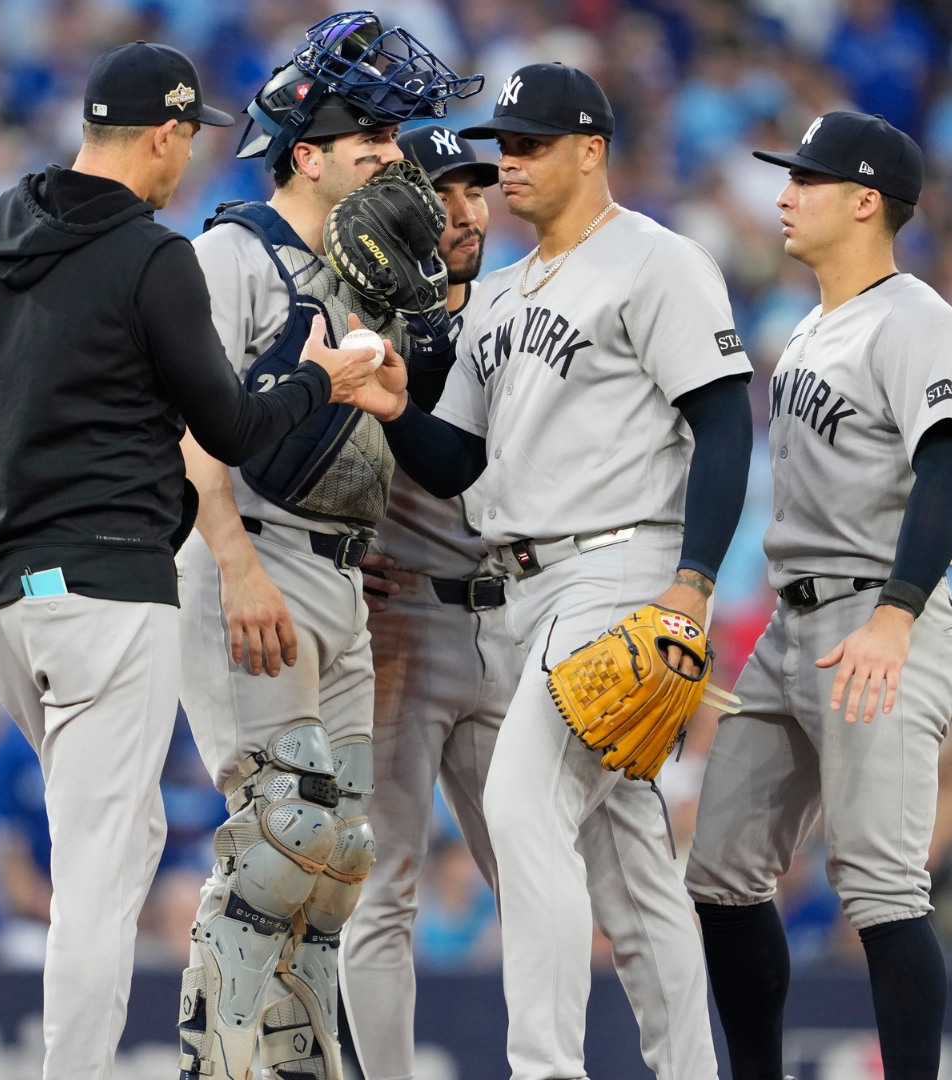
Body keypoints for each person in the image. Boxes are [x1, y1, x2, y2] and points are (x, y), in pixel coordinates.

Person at [0, 40, 379, 1080]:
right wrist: (323, 380)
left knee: (128, 829)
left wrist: (8, 494)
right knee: (102, 877)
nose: (187, 163)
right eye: (185, 142)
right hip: (106, 592)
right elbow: (234, 428)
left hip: (2, 600)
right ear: (161, 134)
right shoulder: (152, 255)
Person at [346, 63, 751, 1080]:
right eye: (504, 146)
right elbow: (461, 464)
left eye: (529, 145)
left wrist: (694, 585)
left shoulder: (658, 262)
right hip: (527, 589)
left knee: (525, 802)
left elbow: (725, 424)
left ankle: (545, 1069)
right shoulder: (506, 295)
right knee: (627, 859)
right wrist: (398, 412)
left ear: (591, 150)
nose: (509, 163)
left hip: (624, 569)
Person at [172, 15, 478, 1080]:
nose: (396, 156)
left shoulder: (371, 259)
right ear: (307, 151)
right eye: (374, 139)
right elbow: (187, 430)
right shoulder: (231, 250)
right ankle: (215, 1064)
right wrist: (238, 565)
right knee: (281, 834)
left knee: (337, 857)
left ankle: (297, 1068)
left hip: (340, 573)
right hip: (251, 553)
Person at [684, 112, 952, 1080]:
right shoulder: (811, 327)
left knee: (883, 888)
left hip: (880, 612)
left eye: (805, 179)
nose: (784, 193)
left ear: (865, 200)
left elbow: (948, 470)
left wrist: (895, 613)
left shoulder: (916, 318)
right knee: (720, 869)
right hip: (793, 620)